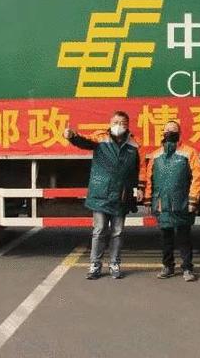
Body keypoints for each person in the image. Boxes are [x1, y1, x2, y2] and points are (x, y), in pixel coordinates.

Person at [63, 111, 142, 280]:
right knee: (99, 230)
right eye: (116, 122)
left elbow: (137, 169)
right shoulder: (101, 138)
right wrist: (72, 136)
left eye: (122, 122)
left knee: (118, 232)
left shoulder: (134, 144)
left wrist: (140, 187)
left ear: (128, 125)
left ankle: (114, 264)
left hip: (121, 195)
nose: (119, 125)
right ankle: (95, 265)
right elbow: (84, 141)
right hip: (101, 193)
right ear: (110, 123)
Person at [144, 121, 200, 282]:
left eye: (174, 129)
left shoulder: (189, 152)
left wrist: (193, 199)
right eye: (168, 129)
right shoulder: (156, 155)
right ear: (163, 133)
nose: (170, 132)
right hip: (162, 204)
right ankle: (168, 266)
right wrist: (148, 200)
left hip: (182, 203)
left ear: (180, 133)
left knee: (184, 237)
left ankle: (187, 268)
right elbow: (149, 179)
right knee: (166, 238)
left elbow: (198, 176)